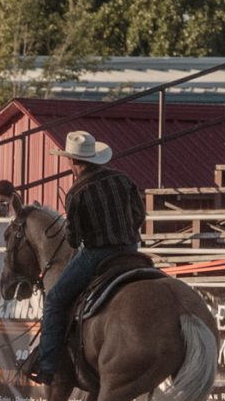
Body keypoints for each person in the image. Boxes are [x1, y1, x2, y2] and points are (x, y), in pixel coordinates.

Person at [28, 130, 146, 385]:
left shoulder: (77, 193)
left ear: (72, 162)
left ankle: (47, 366)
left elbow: (73, 239)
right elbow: (139, 215)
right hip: (131, 251)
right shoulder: (123, 180)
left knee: (56, 300)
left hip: (97, 254)